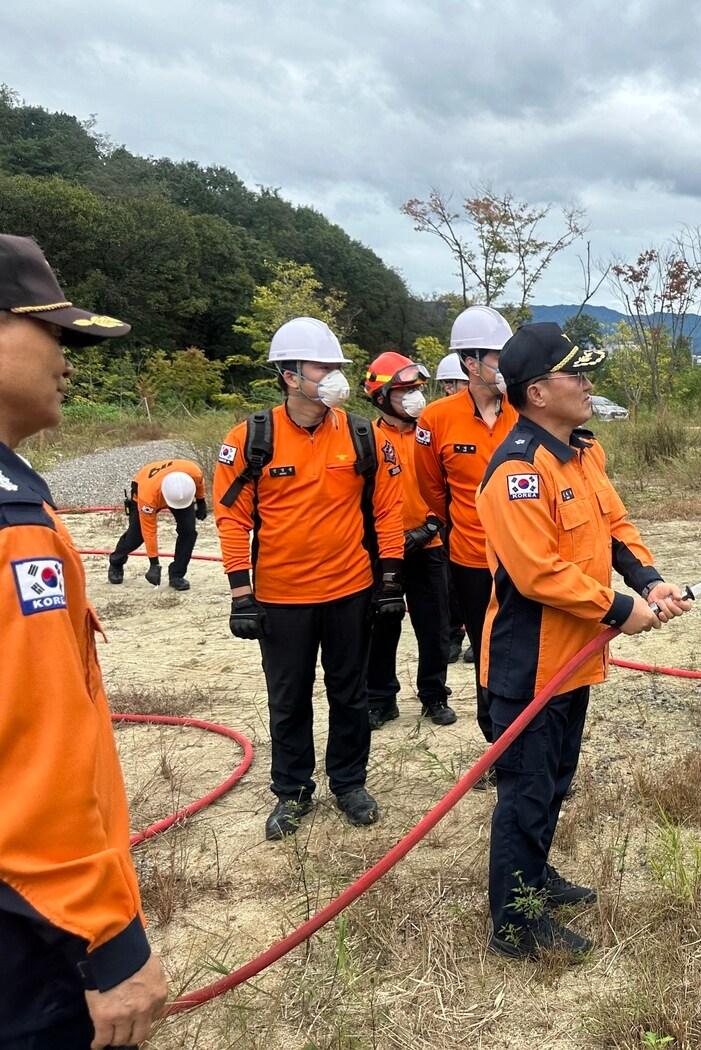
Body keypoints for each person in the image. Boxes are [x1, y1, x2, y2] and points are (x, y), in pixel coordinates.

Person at [477, 322, 692, 960]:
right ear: (538, 392)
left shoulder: (582, 451)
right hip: (529, 663)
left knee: (556, 779)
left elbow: (614, 525)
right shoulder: (516, 469)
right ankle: (514, 922)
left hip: (576, 659)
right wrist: (619, 608)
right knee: (527, 791)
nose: (589, 383)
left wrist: (648, 582)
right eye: (577, 374)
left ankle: (536, 877)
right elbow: (537, 570)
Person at [0, 234, 168, 1048]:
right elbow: (33, 751)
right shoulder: (11, 528)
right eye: (55, 336)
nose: (69, 361)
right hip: (28, 932)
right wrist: (109, 942)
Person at [213, 316, 406, 841]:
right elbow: (232, 519)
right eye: (323, 367)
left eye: (336, 367)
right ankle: (292, 792)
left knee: (350, 694)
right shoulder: (251, 440)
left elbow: (388, 511)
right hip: (281, 600)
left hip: (351, 592)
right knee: (289, 698)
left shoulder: (364, 435)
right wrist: (241, 595)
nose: (334, 377)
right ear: (289, 375)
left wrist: (390, 579)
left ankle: (349, 784)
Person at [414, 306, 518, 744]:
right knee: (487, 656)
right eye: (498, 356)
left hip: (529, 560)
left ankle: (530, 745)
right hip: (473, 561)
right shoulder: (436, 420)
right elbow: (433, 491)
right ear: (470, 363)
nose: (507, 365)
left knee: (531, 653)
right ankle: (497, 744)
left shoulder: (528, 409)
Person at [361, 351, 457, 728]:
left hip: (430, 545)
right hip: (382, 551)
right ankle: (381, 700)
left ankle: (434, 695)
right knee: (381, 626)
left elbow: (451, 486)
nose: (415, 396)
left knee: (434, 627)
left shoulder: (430, 434)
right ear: (382, 396)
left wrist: (431, 528)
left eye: (418, 388)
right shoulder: (365, 438)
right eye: (404, 390)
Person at [106, 458, 206, 591]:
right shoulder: (147, 497)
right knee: (136, 536)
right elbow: (149, 531)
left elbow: (199, 484)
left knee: (188, 531)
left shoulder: (194, 472)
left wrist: (201, 501)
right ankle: (116, 562)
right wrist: (154, 563)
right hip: (146, 484)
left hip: (178, 491)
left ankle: (177, 575)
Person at [432, 349, 471, 663]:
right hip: (449, 517)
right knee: (450, 585)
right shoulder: (438, 417)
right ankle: (451, 635)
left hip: (479, 518)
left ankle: (476, 637)